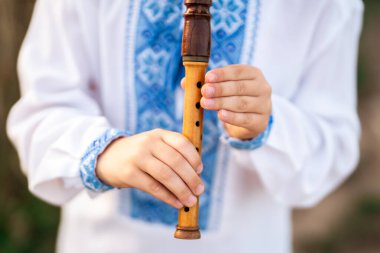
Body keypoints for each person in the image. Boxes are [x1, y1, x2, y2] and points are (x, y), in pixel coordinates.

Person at [7, 0, 364, 252]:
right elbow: (41, 113)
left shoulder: (326, 5)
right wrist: (106, 154)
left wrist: (268, 125)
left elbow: (334, 144)